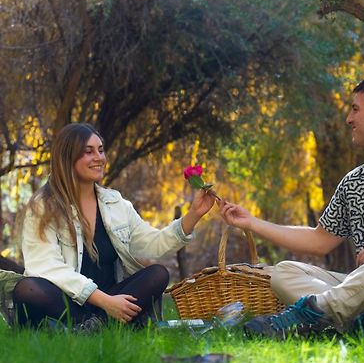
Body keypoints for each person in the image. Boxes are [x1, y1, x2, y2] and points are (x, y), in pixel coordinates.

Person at [219, 73, 364, 338]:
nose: (349, 119)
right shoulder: (355, 182)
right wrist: (252, 223)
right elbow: (319, 240)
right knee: (284, 273)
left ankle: (318, 312)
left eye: (355, 109)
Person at [9, 122, 214, 331]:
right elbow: (46, 268)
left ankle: (90, 328)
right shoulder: (43, 207)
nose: (99, 158)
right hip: (66, 302)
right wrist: (104, 301)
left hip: (109, 298)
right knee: (29, 288)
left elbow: (153, 244)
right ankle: (94, 325)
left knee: (158, 274)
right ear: (68, 158)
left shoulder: (115, 203)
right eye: (88, 152)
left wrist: (195, 213)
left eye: (100, 150)